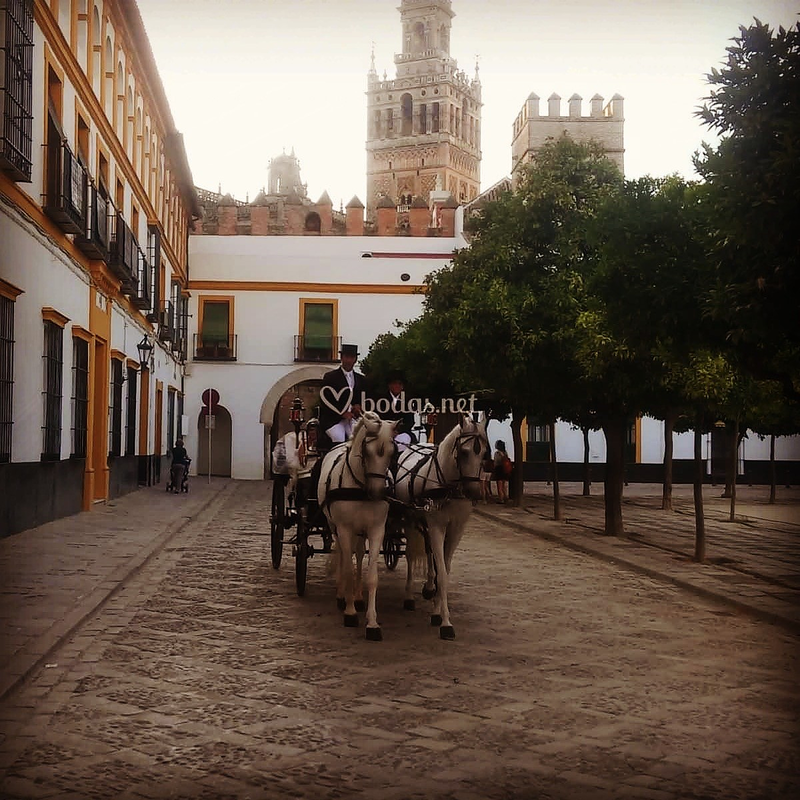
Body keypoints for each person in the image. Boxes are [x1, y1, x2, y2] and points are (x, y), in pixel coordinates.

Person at [318, 344, 369, 444]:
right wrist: (342, 414)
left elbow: (364, 398)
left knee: (359, 439)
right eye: (347, 357)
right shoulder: (330, 377)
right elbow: (325, 401)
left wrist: (359, 406)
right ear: (342, 358)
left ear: (355, 359)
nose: (349, 360)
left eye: (352, 357)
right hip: (333, 420)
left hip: (353, 418)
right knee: (338, 436)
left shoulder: (361, 379)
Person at [378, 370, 416, 452]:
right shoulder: (381, 400)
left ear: (402, 386)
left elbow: (410, 422)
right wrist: (389, 431)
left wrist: (398, 431)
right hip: (384, 433)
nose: (397, 386)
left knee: (404, 442)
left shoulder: (407, 401)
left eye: (400, 384)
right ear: (390, 385)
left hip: (402, 433)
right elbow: (378, 419)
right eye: (395, 383)